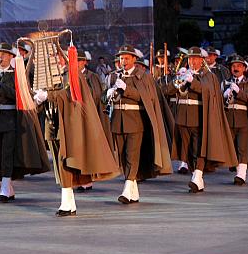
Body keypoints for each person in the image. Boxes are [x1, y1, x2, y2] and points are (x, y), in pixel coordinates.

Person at [33, 49, 120, 217]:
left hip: (67, 124)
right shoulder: (49, 75)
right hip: (51, 122)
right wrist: (37, 98)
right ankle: (69, 201)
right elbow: (43, 95)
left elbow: (70, 94)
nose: (54, 59)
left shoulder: (73, 74)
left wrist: (47, 95)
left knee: (64, 161)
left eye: (56, 56)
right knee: (59, 164)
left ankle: (67, 202)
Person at [164, 47, 237, 193]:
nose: (192, 61)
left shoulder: (208, 76)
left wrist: (193, 82)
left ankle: (197, 175)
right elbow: (168, 91)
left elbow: (209, 91)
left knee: (198, 148)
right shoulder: (184, 73)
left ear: (201, 60)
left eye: (195, 58)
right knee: (187, 150)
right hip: (182, 116)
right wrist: (177, 80)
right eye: (190, 58)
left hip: (199, 117)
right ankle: (197, 177)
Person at [105, 45, 172, 204]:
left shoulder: (143, 76)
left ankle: (127, 189)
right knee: (122, 156)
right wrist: (107, 94)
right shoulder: (113, 76)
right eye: (121, 58)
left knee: (132, 155)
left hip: (135, 121)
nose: (123, 61)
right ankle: (133, 192)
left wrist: (126, 89)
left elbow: (146, 97)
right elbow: (103, 97)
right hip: (117, 121)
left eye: (127, 58)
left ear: (134, 59)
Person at [0, 43, 50, 202]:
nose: (0, 57)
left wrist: (2, 88)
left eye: (3, 54)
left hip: (10, 118)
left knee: (7, 152)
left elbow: (21, 96)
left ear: (11, 57)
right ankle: (8, 186)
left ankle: (5, 187)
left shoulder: (16, 75)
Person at [74, 50, 110, 192]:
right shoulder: (70, 75)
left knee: (88, 149)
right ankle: (79, 178)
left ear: (84, 62)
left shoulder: (92, 76)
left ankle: (87, 180)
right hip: (75, 117)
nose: (76, 63)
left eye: (79, 60)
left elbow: (97, 96)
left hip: (89, 116)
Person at [223, 54, 248, 186]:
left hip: (243, 119)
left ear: (244, 68)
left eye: (239, 66)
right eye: (234, 66)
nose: (236, 68)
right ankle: (235, 167)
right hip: (229, 118)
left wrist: (239, 92)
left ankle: (241, 174)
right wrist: (224, 95)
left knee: (242, 147)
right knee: (231, 146)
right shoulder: (225, 83)